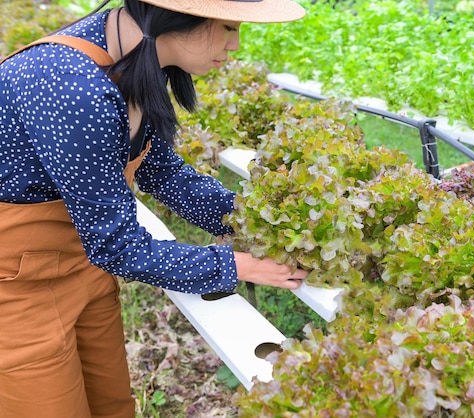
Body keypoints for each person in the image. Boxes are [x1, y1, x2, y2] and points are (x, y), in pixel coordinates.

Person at [0, 0, 308, 416]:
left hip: (82, 265)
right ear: (175, 19)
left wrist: (249, 221)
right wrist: (238, 266)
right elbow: (118, 247)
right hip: (15, 290)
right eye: (229, 27)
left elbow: (160, 171)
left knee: (113, 407)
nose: (235, 45)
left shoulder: (134, 57)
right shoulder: (71, 83)